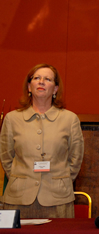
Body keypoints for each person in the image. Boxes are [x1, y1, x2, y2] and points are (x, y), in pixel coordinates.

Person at [0, 64, 84, 218]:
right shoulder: (12, 119)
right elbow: (6, 158)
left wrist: (60, 180)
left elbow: (75, 159)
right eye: (36, 78)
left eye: (47, 79)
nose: (41, 82)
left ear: (56, 89)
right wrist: (22, 178)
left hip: (58, 199)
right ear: (29, 87)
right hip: (19, 198)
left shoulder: (70, 119)